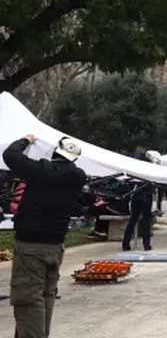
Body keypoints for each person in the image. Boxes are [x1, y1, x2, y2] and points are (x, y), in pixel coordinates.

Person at [4, 134, 87, 338]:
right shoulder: (78, 176)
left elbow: (10, 155)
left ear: (55, 152)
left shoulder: (42, 171)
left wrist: (26, 140)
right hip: (55, 244)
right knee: (45, 295)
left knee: (28, 298)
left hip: (31, 245)